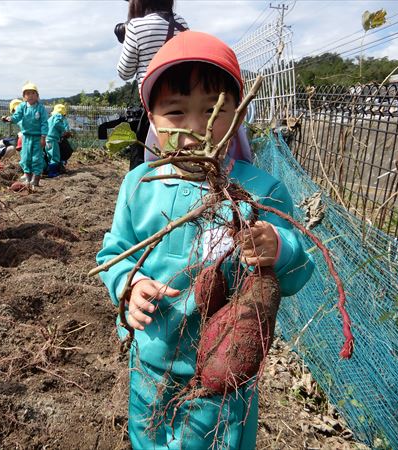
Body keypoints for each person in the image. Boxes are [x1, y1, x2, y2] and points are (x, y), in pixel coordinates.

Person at [96, 31, 315, 449]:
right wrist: (129, 284)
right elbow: (114, 252)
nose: (197, 128)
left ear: (238, 114)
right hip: (151, 356)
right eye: (176, 112)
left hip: (224, 369)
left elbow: (300, 270)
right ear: (152, 119)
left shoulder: (260, 190)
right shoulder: (139, 185)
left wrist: (279, 247)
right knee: (147, 437)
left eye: (214, 111)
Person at [116, 0, 188, 170]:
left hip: (151, 107)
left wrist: (128, 39)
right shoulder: (181, 23)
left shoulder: (136, 26)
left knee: (143, 162)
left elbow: (124, 72)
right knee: (176, 159)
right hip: (181, 105)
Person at [2, 83, 48, 187]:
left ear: (37, 95)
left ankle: (35, 179)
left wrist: (43, 137)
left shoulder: (40, 108)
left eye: (33, 93)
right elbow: (17, 116)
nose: (30, 96)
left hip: (37, 137)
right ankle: (27, 178)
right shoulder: (22, 107)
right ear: (24, 96)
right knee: (25, 157)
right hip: (26, 137)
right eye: (27, 93)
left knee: (36, 158)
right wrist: (10, 119)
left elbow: (44, 123)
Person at [45, 104, 73, 178]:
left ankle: (49, 169)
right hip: (53, 139)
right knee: (55, 156)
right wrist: (63, 131)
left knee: (50, 156)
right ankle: (52, 172)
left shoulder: (50, 118)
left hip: (47, 139)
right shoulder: (58, 116)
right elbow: (57, 123)